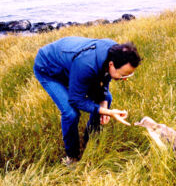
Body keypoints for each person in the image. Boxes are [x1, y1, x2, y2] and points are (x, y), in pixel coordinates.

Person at [33, 36, 141, 165]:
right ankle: (72, 157)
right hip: (49, 69)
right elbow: (76, 100)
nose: (125, 79)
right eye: (123, 75)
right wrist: (109, 112)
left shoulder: (114, 52)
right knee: (70, 113)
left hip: (72, 67)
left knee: (107, 98)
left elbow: (104, 79)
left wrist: (104, 107)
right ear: (112, 65)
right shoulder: (86, 65)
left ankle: (90, 142)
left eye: (128, 75)